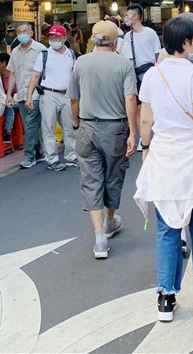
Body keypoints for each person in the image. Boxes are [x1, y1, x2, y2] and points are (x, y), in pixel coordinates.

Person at [133, 14, 193, 323]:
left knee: (167, 228)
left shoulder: (151, 75)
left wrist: (146, 147)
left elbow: (145, 119)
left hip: (163, 155)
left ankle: (166, 296)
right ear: (187, 42)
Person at [69, 21, 139, 259]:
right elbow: (131, 99)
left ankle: (100, 240)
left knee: (91, 180)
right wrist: (133, 131)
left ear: (93, 39)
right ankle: (109, 221)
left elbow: (74, 100)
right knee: (113, 176)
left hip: (87, 127)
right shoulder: (124, 64)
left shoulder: (80, 62)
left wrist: (77, 123)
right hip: (116, 128)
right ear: (115, 41)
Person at [26, 25, 78, 171]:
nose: (53, 40)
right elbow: (35, 76)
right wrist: (29, 96)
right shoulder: (44, 55)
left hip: (67, 95)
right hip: (49, 94)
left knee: (69, 127)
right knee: (48, 128)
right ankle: (52, 159)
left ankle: (71, 155)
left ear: (64, 38)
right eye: (51, 37)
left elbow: (75, 75)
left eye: (56, 37)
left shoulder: (71, 54)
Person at [7, 23, 47, 169]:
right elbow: (12, 73)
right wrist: (9, 94)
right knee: (29, 125)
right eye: (19, 31)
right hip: (22, 94)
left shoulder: (40, 49)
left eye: (25, 31)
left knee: (30, 123)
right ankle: (39, 152)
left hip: (36, 93)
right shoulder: (15, 52)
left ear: (31, 33)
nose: (22, 34)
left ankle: (29, 156)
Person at [118, 4, 161, 92]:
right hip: (134, 73)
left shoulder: (150, 33)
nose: (125, 18)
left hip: (149, 71)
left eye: (127, 15)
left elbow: (158, 54)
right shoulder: (127, 36)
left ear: (135, 16)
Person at [0, 52, 15, 137]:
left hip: (14, 100)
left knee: (9, 106)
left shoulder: (12, 76)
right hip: (1, 101)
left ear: (4, 63)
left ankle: (7, 131)